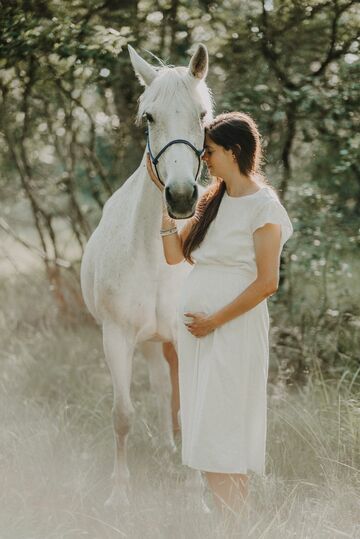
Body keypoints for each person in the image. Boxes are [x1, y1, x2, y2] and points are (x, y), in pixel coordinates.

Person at [146, 111, 293, 514]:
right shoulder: (212, 198)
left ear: (235, 151)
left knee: (223, 425)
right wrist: (165, 214)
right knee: (205, 426)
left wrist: (215, 320)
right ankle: (232, 524)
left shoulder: (263, 206)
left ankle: (236, 523)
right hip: (199, 335)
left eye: (209, 151)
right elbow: (176, 256)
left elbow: (267, 282)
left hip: (233, 330)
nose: (204, 159)